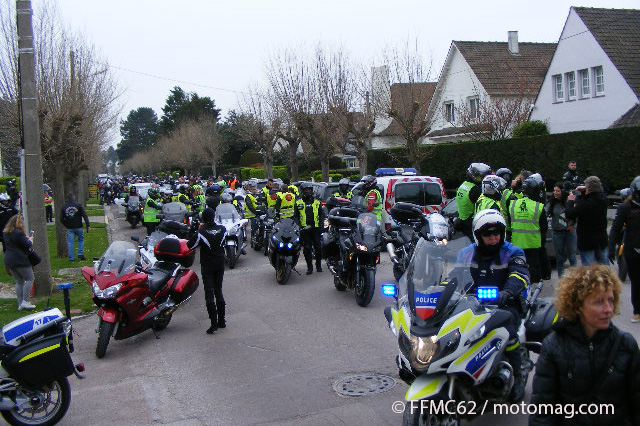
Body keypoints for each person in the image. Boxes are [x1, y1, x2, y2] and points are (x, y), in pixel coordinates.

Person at [529, 265, 640, 426]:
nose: (608, 309)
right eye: (599, 302)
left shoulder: (625, 344)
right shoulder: (554, 346)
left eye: (610, 300)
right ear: (577, 305)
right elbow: (542, 410)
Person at [452, 209, 530, 402]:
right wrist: (441, 289)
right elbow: (455, 277)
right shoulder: (466, 253)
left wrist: (507, 292)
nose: (493, 237)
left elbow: (519, 275)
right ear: (478, 235)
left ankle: (518, 376)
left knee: (507, 329)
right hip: (473, 304)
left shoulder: (513, 252)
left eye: (497, 233)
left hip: (506, 304)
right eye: (488, 234)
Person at [188, 208, 227, 334]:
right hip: (220, 263)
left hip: (208, 265)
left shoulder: (201, 231)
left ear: (203, 218)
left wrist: (197, 230)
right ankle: (222, 321)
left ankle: (213, 324)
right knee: (218, 290)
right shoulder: (222, 229)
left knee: (209, 293)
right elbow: (224, 242)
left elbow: (190, 245)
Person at [609, 176, 640, 322]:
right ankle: (637, 310)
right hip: (632, 249)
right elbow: (615, 228)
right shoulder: (625, 208)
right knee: (636, 281)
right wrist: (611, 247)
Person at [509, 173, 549, 284]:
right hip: (533, 245)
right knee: (533, 275)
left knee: (518, 271)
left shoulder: (513, 204)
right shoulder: (538, 206)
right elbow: (544, 228)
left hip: (516, 244)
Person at [565, 176, 609, 266]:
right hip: (601, 239)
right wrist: (587, 188)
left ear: (588, 189)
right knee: (604, 267)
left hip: (587, 241)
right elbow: (600, 192)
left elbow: (569, 214)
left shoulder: (584, 204)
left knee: (589, 268)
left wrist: (570, 201)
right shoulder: (603, 200)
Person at [2, 214, 36, 310]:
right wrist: (31, 239)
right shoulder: (18, 233)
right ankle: (25, 301)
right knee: (30, 278)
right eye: (22, 222)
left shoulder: (6, 232)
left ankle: (20, 303)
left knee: (19, 282)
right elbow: (27, 245)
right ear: (18, 223)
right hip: (20, 259)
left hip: (9, 259)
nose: (23, 224)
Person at [546, 182, 577, 277]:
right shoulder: (552, 203)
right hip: (557, 233)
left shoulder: (569, 202)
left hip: (569, 232)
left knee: (572, 256)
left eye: (558, 191)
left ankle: (575, 277)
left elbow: (575, 215)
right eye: (554, 191)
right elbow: (547, 213)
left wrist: (572, 225)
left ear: (562, 192)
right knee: (559, 257)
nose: (555, 193)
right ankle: (561, 277)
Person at [295, 183, 325, 275]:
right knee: (307, 248)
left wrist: (321, 225)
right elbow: (296, 216)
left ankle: (318, 265)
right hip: (304, 229)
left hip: (315, 228)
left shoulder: (317, 201)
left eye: (309, 189)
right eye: (306, 190)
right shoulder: (298, 202)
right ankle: (309, 267)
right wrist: (299, 226)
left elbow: (321, 214)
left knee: (318, 247)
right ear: (302, 191)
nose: (308, 191)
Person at [456, 162, 491, 241]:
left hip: (462, 220)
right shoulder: (475, 190)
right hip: (471, 222)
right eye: (480, 177)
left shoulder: (463, 186)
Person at [60, 193, 90, 262]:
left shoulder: (64, 207)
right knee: (81, 239)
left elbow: (61, 219)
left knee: (70, 242)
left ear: (67, 199)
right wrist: (87, 225)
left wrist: (66, 225)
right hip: (79, 226)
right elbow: (84, 215)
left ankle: (72, 258)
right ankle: (80, 253)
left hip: (70, 227)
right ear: (74, 198)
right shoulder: (78, 205)